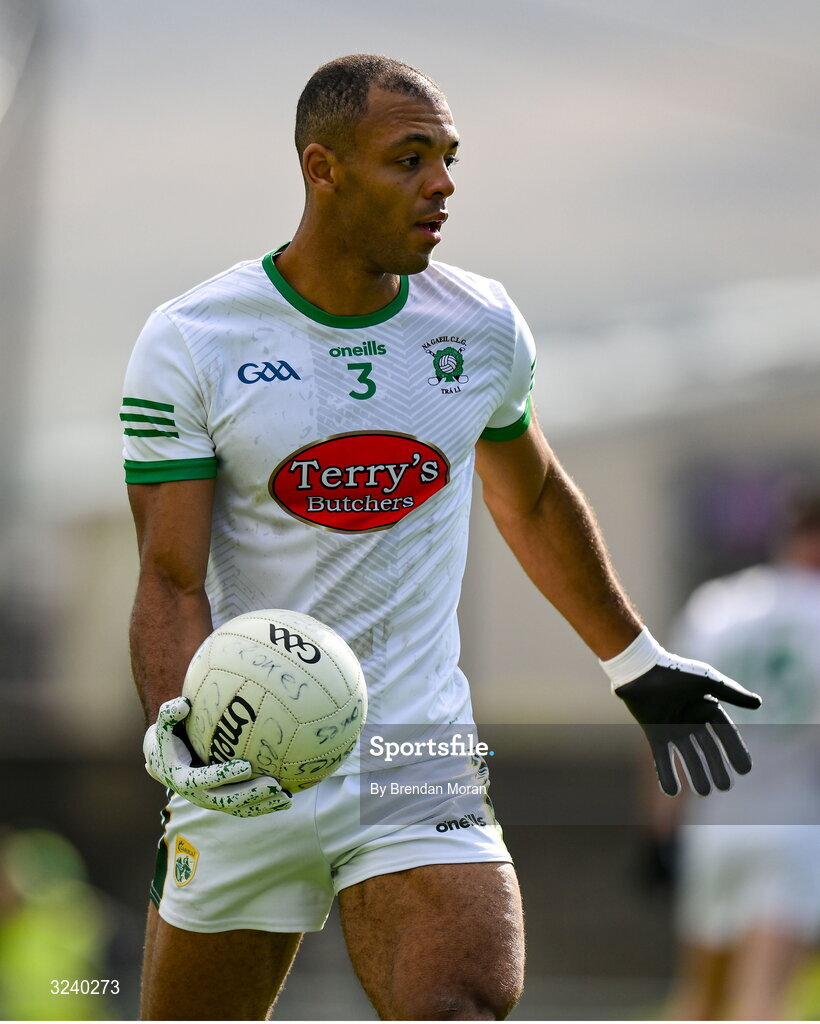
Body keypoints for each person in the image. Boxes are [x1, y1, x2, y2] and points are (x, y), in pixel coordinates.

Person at [122, 54, 761, 1021]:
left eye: (449, 157)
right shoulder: (194, 340)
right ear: (322, 168)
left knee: (461, 1010)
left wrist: (632, 660)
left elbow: (535, 500)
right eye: (409, 158)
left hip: (413, 748)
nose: (443, 185)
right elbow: (169, 580)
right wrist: (185, 735)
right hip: (251, 756)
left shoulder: (482, 325)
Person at [660, 486, 820, 1021]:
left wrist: (662, 829)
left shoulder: (718, 605)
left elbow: (667, 722)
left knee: (701, 1000)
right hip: (795, 822)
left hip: (715, 824)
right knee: (765, 1000)